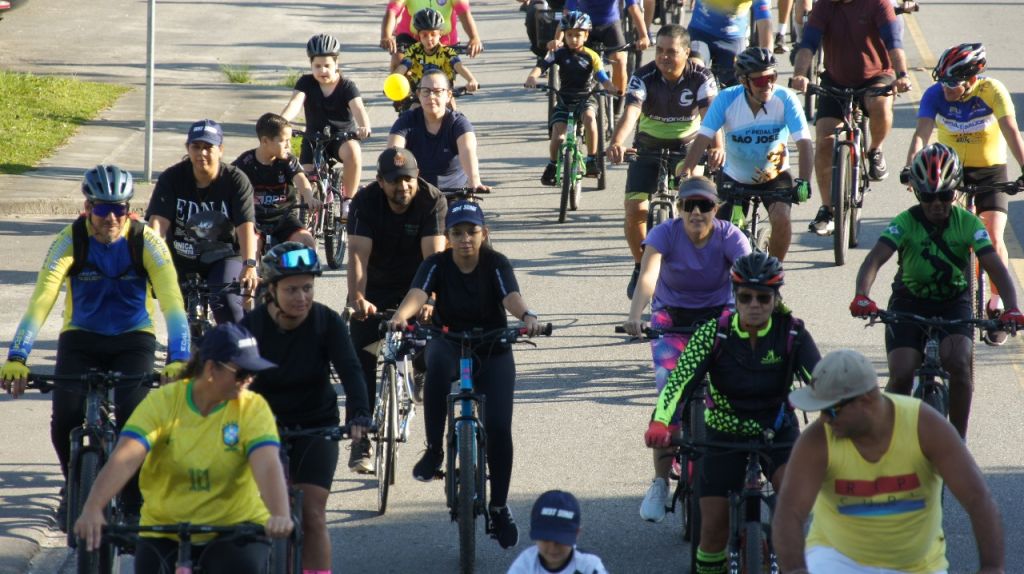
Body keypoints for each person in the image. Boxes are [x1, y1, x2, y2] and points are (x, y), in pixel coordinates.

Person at [0, 165, 189, 531]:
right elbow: (42, 300)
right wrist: (18, 357)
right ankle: (72, 485)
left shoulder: (146, 240)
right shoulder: (70, 240)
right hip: (81, 337)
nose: (112, 218)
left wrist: (179, 358)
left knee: (133, 417)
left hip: (133, 338)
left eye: (120, 209)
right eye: (102, 210)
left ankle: (133, 499)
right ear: (87, 208)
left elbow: (172, 303)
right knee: (64, 417)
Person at [644, 252, 820, 574]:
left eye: (763, 297)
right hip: (724, 434)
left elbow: (822, 382)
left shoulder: (793, 334)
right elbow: (677, 383)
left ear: (775, 298)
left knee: (796, 511)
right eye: (746, 297)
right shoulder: (714, 334)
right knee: (711, 531)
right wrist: (660, 421)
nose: (755, 304)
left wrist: (840, 417)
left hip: (776, 432)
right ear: (735, 297)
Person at [387, 200, 545, 550]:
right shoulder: (436, 264)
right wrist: (401, 316)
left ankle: (499, 507)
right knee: (438, 366)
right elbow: (417, 293)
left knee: (501, 427)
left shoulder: (496, 263)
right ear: (447, 237)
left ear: (484, 234)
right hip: (450, 339)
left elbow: (511, 296)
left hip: (493, 346)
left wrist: (528, 316)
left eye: (472, 232)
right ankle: (433, 451)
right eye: (456, 233)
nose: (465, 239)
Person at [72, 323, 293, 573]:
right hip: (165, 528)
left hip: (234, 527)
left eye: (253, 374)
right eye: (242, 374)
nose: (249, 381)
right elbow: (125, 457)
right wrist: (93, 507)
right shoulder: (163, 402)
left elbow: (266, 463)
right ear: (211, 369)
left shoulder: (253, 407)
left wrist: (279, 513)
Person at [773, 349, 1006, 574]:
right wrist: (795, 570)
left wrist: (992, 567)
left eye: (831, 410)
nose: (824, 419)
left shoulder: (925, 426)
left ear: (865, 400)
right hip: (837, 557)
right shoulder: (818, 439)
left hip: (917, 566)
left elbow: (977, 498)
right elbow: (790, 511)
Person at [850, 143, 1024, 439]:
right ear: (918, 194)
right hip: (908, 300)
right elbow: (874, 259)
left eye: (944, 195)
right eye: (929, 197)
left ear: (954, 191)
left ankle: (957, 440)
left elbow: (995, 266)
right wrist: (862, 295)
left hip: (953, 302)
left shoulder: (968, 223)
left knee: (958, 363)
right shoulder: (905, 222)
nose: (937, 204)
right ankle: (889, 441)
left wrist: (1012, 307)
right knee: (903, 372)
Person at [625, 177, 751, 522]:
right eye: (688, 206)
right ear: (678, 208)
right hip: (671, 319)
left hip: (719, 318)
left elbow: (749, 278)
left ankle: (740, 467)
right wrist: (635, 316)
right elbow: (648, 276)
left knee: (731, 391)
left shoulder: (730, 236)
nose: (696, 212)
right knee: (670, 398)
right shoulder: (665, 233)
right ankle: (660, 482)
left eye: (705, 206)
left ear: (717, 208)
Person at [242, 242, 370, 573]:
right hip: (261, 430)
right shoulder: (251, 328)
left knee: (313, 513)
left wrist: (358, 415)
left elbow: (351, 371)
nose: (302, 297)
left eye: (308, 288)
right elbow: (228, 382)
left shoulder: (326, 321)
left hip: (317, 425)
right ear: (270, 291)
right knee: (252, 515)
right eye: (292, 289)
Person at [904, 42, 1024, 345]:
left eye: (952, 83)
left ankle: (996, 306)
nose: (945, 88)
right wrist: (910, 167)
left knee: (993, 236)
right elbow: (921, 133)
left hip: (991, 171)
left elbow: (1011, 130)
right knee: (952, 234)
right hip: (950, 172)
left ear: (973, 79)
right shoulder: (935, 95)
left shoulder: (993, 92)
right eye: (941, 81)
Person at [346, 147, 447, 472]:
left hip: (417, 286)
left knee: (428, 347)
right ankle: (360, 439)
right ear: (380, 181)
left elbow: (434, 259)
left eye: (407, 179)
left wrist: (430, 299)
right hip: (374, 288)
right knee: (360, 361)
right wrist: (357, 298)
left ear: (417, 177)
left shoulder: (432, 200)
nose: (401, 187)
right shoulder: (364, 202)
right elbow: (358, 255)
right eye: (393, 181)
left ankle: (418, 366)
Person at [606, 24, 722, 299]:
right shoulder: (643, 76)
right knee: (635, 210)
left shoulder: (701, 76)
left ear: (686, 52)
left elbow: (711, 116)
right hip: (648, 146)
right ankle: (640, 265)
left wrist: (717, 147)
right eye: (659, 50)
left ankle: (701, 263)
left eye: (671, 51)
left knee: (699, 208)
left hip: (687, 149)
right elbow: (632, 112)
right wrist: (617, 142)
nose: (663, 57)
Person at [677, 47, 813, 261]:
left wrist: (804, 181)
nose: (767, 85)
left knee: (782, 219)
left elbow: (805, 143)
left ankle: (773, 277)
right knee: (717, 234)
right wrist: (686, 173)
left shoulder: (786, 99)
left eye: (772, 77)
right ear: (743, 81)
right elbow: (703, 138)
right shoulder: (726, 99)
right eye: (759, 81)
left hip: (775, 177)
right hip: (734, 177)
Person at [790, 0, 912, 236]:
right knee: (824, 140)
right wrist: (799, 75)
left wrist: (902, 75)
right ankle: (826, 208)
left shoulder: (878, 4)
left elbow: (894, 43)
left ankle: (875, 150)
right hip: (836, 78)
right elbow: (809, 43)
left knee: (880, 104)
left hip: (876, 76)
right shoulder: (824, 5)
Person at [146, 119, 258, 324]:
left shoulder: (236, 180)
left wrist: (249, 264)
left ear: (221, 150)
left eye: (208, 147)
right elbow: (157, 224)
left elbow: (245, 226)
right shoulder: (172, 178)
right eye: (195, 147)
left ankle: (240, 351)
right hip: (181, 257)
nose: (201, 153)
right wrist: (151, 261)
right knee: (176, 320)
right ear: (187, 148)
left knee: (228, 307)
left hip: (223, 257)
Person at [281, 34, 372, 214]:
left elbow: (359, 108)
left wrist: (364, 126)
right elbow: (295, 103)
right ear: (311, 66)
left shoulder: (347, 86)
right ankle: (310, 219)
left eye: (327, 65)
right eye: (317, 66)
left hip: (341, 138)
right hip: (313, 138)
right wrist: (281, 123)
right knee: (305, 179)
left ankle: (348, 200)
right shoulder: (306, 83)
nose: (323, 70)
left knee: (354, 152)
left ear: (337, 64)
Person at [524, 11, 618, 184]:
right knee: (557, 137)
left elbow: (602, 77)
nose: (573, 39)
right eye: (569, 35)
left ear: (586, 35)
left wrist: (610, 87)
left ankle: (591, 159)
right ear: (564, 35)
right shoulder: (558, 53)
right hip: (564, 99)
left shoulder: (592, 55)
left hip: (585, 98)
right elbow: (542, 65)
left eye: (578, 35)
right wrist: (532, 77)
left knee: (590, 119)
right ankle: (552, 164)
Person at [388, 69, 489, 191]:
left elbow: (468, 152)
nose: (431, 96)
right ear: (418, 95)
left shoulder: (458, 123)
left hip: (455, 194)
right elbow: (392, 152)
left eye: (437, 92)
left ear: (449, 96)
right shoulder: (407, 120)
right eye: (426, 91)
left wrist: (475, 181)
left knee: (469, 211)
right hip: (417, 194)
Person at [232, 112, 319, 250]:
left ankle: (299, 272)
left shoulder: (288, 160)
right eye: (284, 141)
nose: (289, 146)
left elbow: (300, 179)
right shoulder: (245, 162)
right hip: (254, 218)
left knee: (307, 243)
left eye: (290, 140)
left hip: (284, 218)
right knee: (250, 247)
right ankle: (252, 271)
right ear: (265, 141)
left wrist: (309, 197)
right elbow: (228, 182)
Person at [548, 0, 651, 96]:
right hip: (584, 27)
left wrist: (643, 36)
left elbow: (633, 7)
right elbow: (567, 14)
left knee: (620, 60)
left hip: (610, 25)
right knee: (576, 60)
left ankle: (618, 98)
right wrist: (558, 40)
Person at [507, 490, 608, 574]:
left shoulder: (588, 566)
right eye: (546, 539)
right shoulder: (526, 563)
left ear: (576, 533)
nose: (552, 548)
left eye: (560, 540)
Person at [394, 9, 480, 99]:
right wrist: (393, 80)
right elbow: (402, 67)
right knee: (413, 109)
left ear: (440, 34)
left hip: (443, 95)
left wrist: (471, 80)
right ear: (418, 35)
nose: (429, 39)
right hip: (420, 96)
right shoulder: (413, 51)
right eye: (424, 35)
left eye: (433, 34)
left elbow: (459, 66)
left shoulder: (447, 52)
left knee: (452, 108)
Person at [686, 0, 772, 87]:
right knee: (694, 71)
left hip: (733, 39)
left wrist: (766, 63)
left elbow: (765, 24)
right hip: (700, 33)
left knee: (736, 86)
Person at [381, 0, 484, 71]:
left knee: (446, 82)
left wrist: (474, 38)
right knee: (399, 60)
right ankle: (399, 96)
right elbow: (392, 11)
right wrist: (386, 36)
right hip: (411, 36)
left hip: (444, 39)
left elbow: (464, 12)